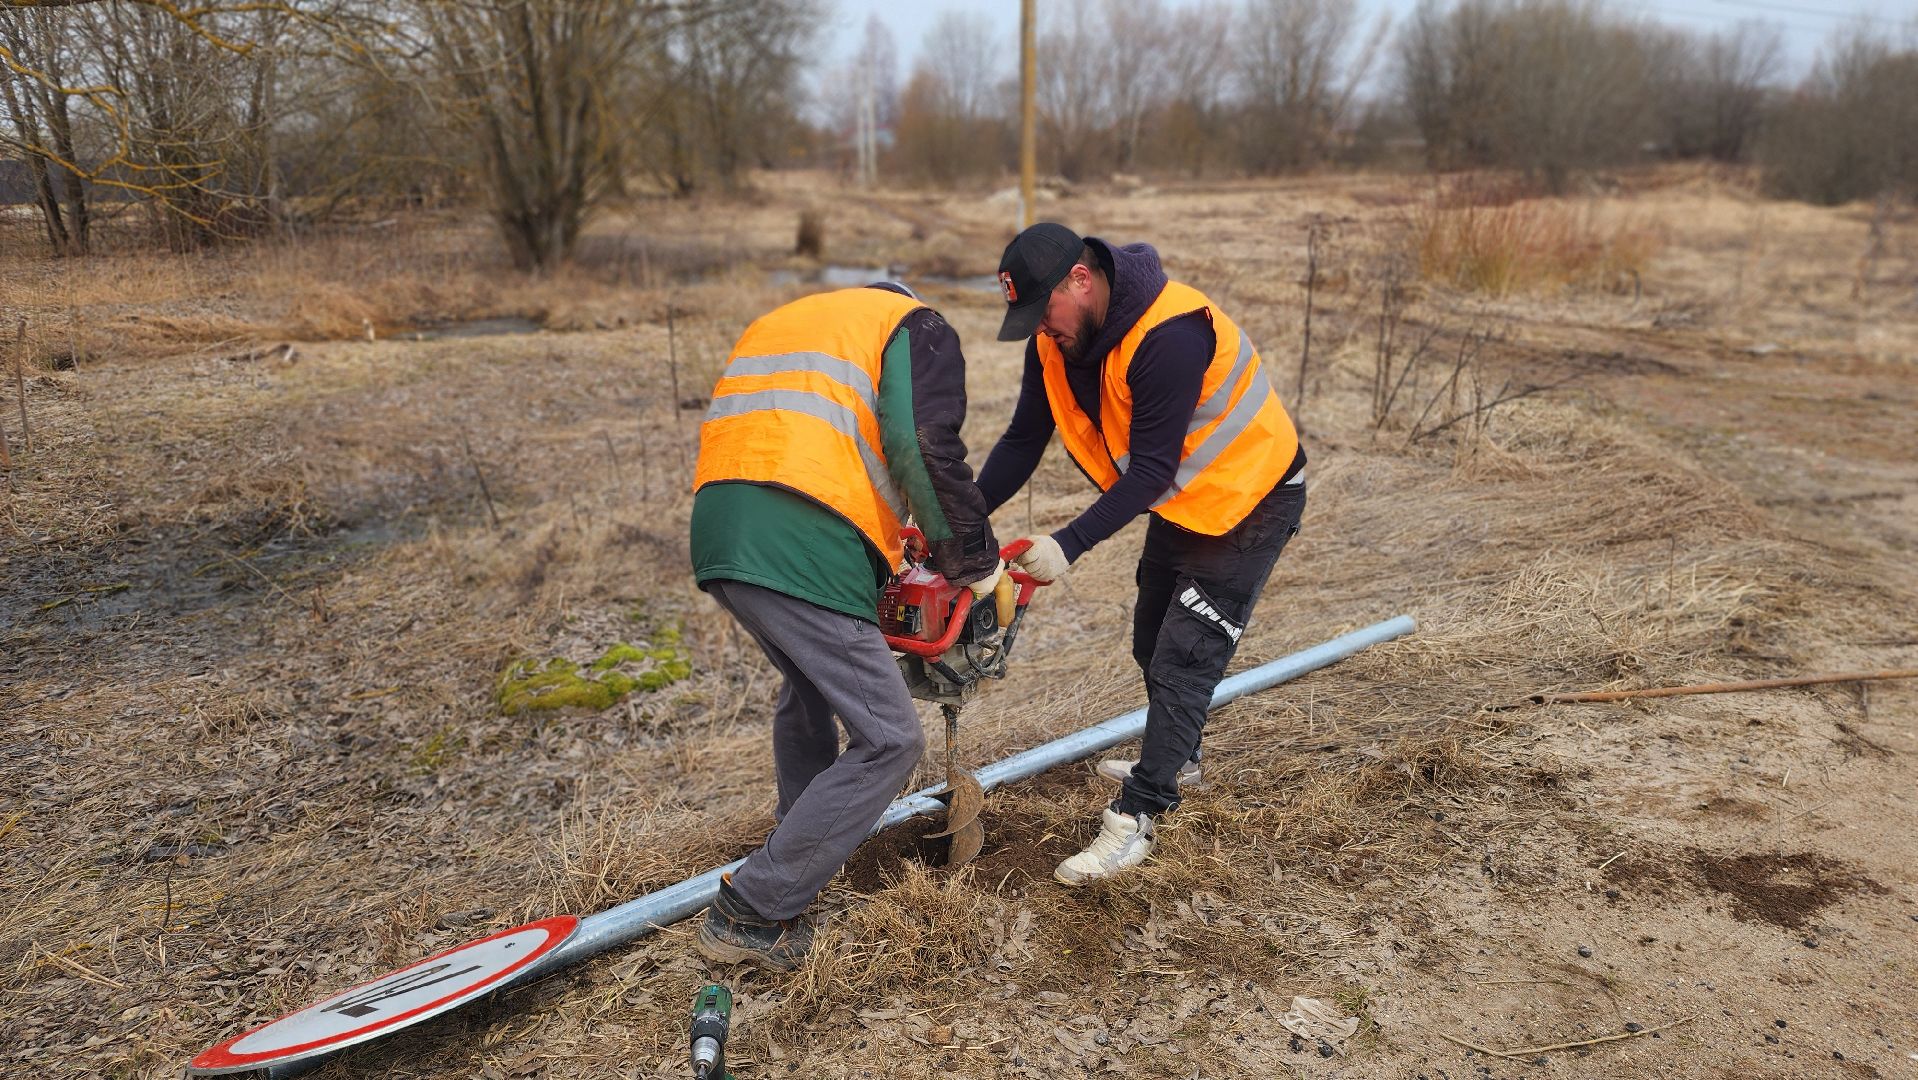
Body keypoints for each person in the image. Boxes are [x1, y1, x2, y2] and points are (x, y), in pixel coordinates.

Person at [688, 282, 1003, 971]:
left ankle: (797, 851)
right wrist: (974, 562)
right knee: (891, 739)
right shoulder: (913, 325)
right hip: (803, 537)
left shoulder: (793, 321)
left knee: (807, 689)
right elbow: (919, 444)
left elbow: (811, 443)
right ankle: (754, 911)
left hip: (722, 529)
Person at [980, 223, 1307, 886]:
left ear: (1081, 278)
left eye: (1045, 312)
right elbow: (1021, 441)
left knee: (1187, 657)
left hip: (1253, 497)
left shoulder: (1170, 335)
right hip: (1191, 499)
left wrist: (1068, 544)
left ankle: (1137, 819)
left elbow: (1151, 467)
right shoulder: (1057, 342)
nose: (1043, 329)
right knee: (1151, 636)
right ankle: (1178, 756)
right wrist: (960, 524)